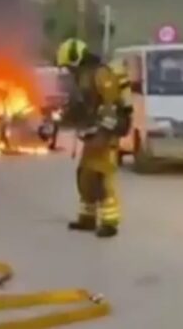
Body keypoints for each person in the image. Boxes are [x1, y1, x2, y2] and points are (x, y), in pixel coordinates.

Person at [56, 38, 133, 238]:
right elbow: (81, 106)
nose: (68, 71)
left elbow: (111, 104)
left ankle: (110, 222)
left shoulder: (100, 73)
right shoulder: (83, 76)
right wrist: (64, 119)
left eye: (68, 66)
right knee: (85, 176)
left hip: (106, 134)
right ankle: (87, 219)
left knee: (102, 178)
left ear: (75, 59)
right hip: (93, 134)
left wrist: (104, 132)